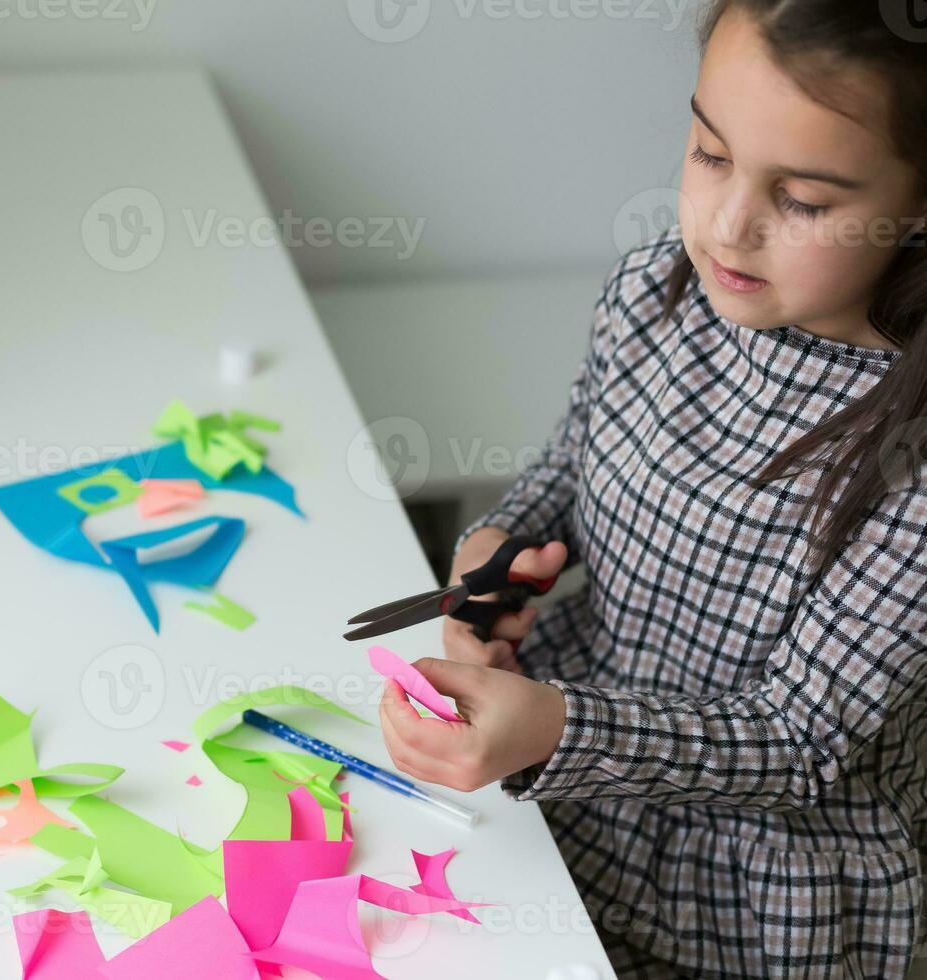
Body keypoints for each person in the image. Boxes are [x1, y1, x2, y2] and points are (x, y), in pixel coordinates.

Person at [376, 2, 927, 975]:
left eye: (801, 198)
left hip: (760, 895)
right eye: (710, 153)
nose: (727, 224)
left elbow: (799, 739)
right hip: (573, 803)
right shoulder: (656, 291)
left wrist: (555, 725)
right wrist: (499, 541)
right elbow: (575, 458)